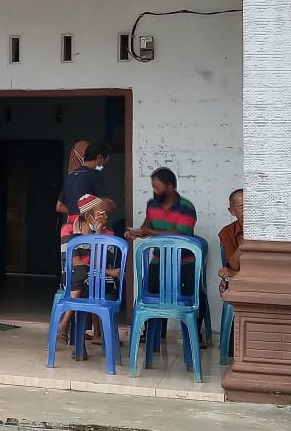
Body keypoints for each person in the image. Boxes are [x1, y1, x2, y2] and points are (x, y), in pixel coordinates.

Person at [56, 194, 122, 346]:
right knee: (80, 272)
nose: (106, 216)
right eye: (101, 213)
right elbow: (74, 262)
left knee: (86, 276)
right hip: (74, 276)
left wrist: (98, 235)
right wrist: (108, 271)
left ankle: (65, 323)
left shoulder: (108, 233)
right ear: (88, 216)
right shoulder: (68, 229)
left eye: (106, 213)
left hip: (99, 279)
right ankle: (87, 336)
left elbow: (103, 262)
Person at [127, 167, 198, 295]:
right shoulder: (152, 204)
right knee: (149, 294)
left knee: (188, 298)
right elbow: (147, 227)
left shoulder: (186, 207)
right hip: (159, 259)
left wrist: (149, 232)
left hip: (184, 261)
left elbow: (180, 234)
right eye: (153, 187)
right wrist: (136, 233)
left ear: (170, 187)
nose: (154, 191)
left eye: (157, 187)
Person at [56, 143, 115, 218]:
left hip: (72, 223)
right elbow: (105, 204)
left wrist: (78, 215)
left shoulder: (69, 176)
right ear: (99, 158)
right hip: (89, 224)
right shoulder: (95, 174)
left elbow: (59, 207)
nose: (103, 166)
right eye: (104, 163)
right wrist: (112, 205)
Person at [217, 189, 244, 295]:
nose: (248, 211)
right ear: (232, 211)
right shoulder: (227, 232)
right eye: (242, 207)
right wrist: (245, 244)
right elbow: (231, 267)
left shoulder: (267, 230)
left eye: (251, 206)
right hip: (240, 281)